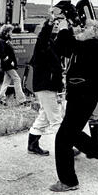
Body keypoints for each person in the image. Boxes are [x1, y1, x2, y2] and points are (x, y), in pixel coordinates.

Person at [50, 19, 98, 192]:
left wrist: (63, 27)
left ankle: (69, 181)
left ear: (94, 31)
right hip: (80, 96)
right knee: (72, 134)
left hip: (84, 97)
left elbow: (66, 43)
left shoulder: (95, 45)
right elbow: (60, 48)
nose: (80, 29)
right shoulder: (87, 45)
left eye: (85, 27)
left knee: (62, 138)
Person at [27, 13, 65, 156]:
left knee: (44, 116)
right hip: (45, 86)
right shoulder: (42, 44)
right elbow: (43, 37)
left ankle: (32, 145)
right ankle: (66, 148)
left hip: (48, 86)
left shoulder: (51, 45)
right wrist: (49, 23)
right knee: (56, 119)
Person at [0, 24, 27, 106]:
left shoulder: (5, 42)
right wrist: (10, 62)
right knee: (17, 79)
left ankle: (0, 98)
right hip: (8, 65)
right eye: (10, 32)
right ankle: (21, 100)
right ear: (6, 32)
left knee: (6, 82)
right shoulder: (1, 42)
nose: (12, 33)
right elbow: (3, 55)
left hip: (8, 65)